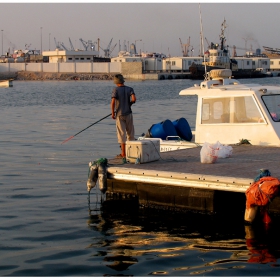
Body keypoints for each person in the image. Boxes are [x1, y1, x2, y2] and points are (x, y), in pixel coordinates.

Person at [111, 74, 136, 158]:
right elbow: (134, 99)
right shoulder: (130, 89)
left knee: (121, 134)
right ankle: (132, 152)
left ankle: (123, 154)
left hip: (119, 114)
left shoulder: (116, 90)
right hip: (128, 113)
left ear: (116, 82)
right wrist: (130, 103)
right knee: (130, 133)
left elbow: (113, 102)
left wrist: (113, 113)